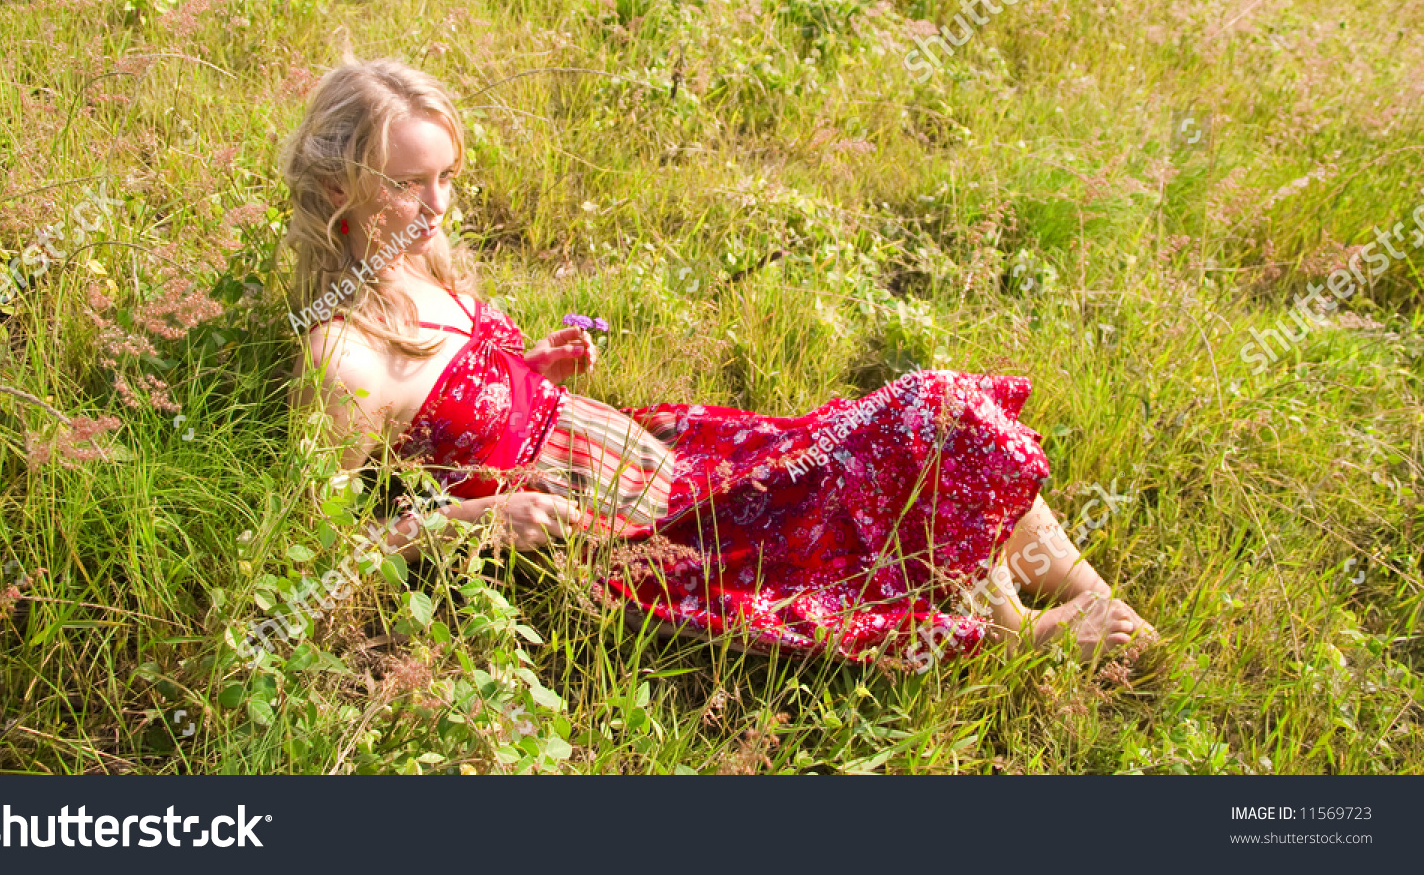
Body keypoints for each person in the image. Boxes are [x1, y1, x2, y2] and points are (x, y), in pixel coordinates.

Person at [281, 56, 1156, 672]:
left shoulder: (412, 256)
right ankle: (1027, 635)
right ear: (335, 190)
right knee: (911, 436)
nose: (436, 207)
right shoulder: (342, 357)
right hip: (648, 536)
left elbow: (468, 399)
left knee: (933, 419)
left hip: (665, 456)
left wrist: (531, 368)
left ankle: (1097, 605)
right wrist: (468, 522)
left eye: (447, 179)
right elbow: (313, 570)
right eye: (407, 184)